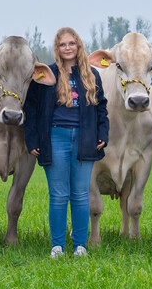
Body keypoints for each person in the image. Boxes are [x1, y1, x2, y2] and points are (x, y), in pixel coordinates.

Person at [23, 27, 109, 258]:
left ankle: (80, 245)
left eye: (71, 43)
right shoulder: (45, 74)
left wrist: (103, 134)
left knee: (81, 194)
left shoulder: (91, 74)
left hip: (84, 138)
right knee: (59, 194)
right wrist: (31, 138)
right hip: (55, 137)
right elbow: (30, 107)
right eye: (63, 44)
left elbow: (101, 107)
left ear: (78, 46)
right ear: (57, 48)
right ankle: (57, 246)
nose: (67, 48)